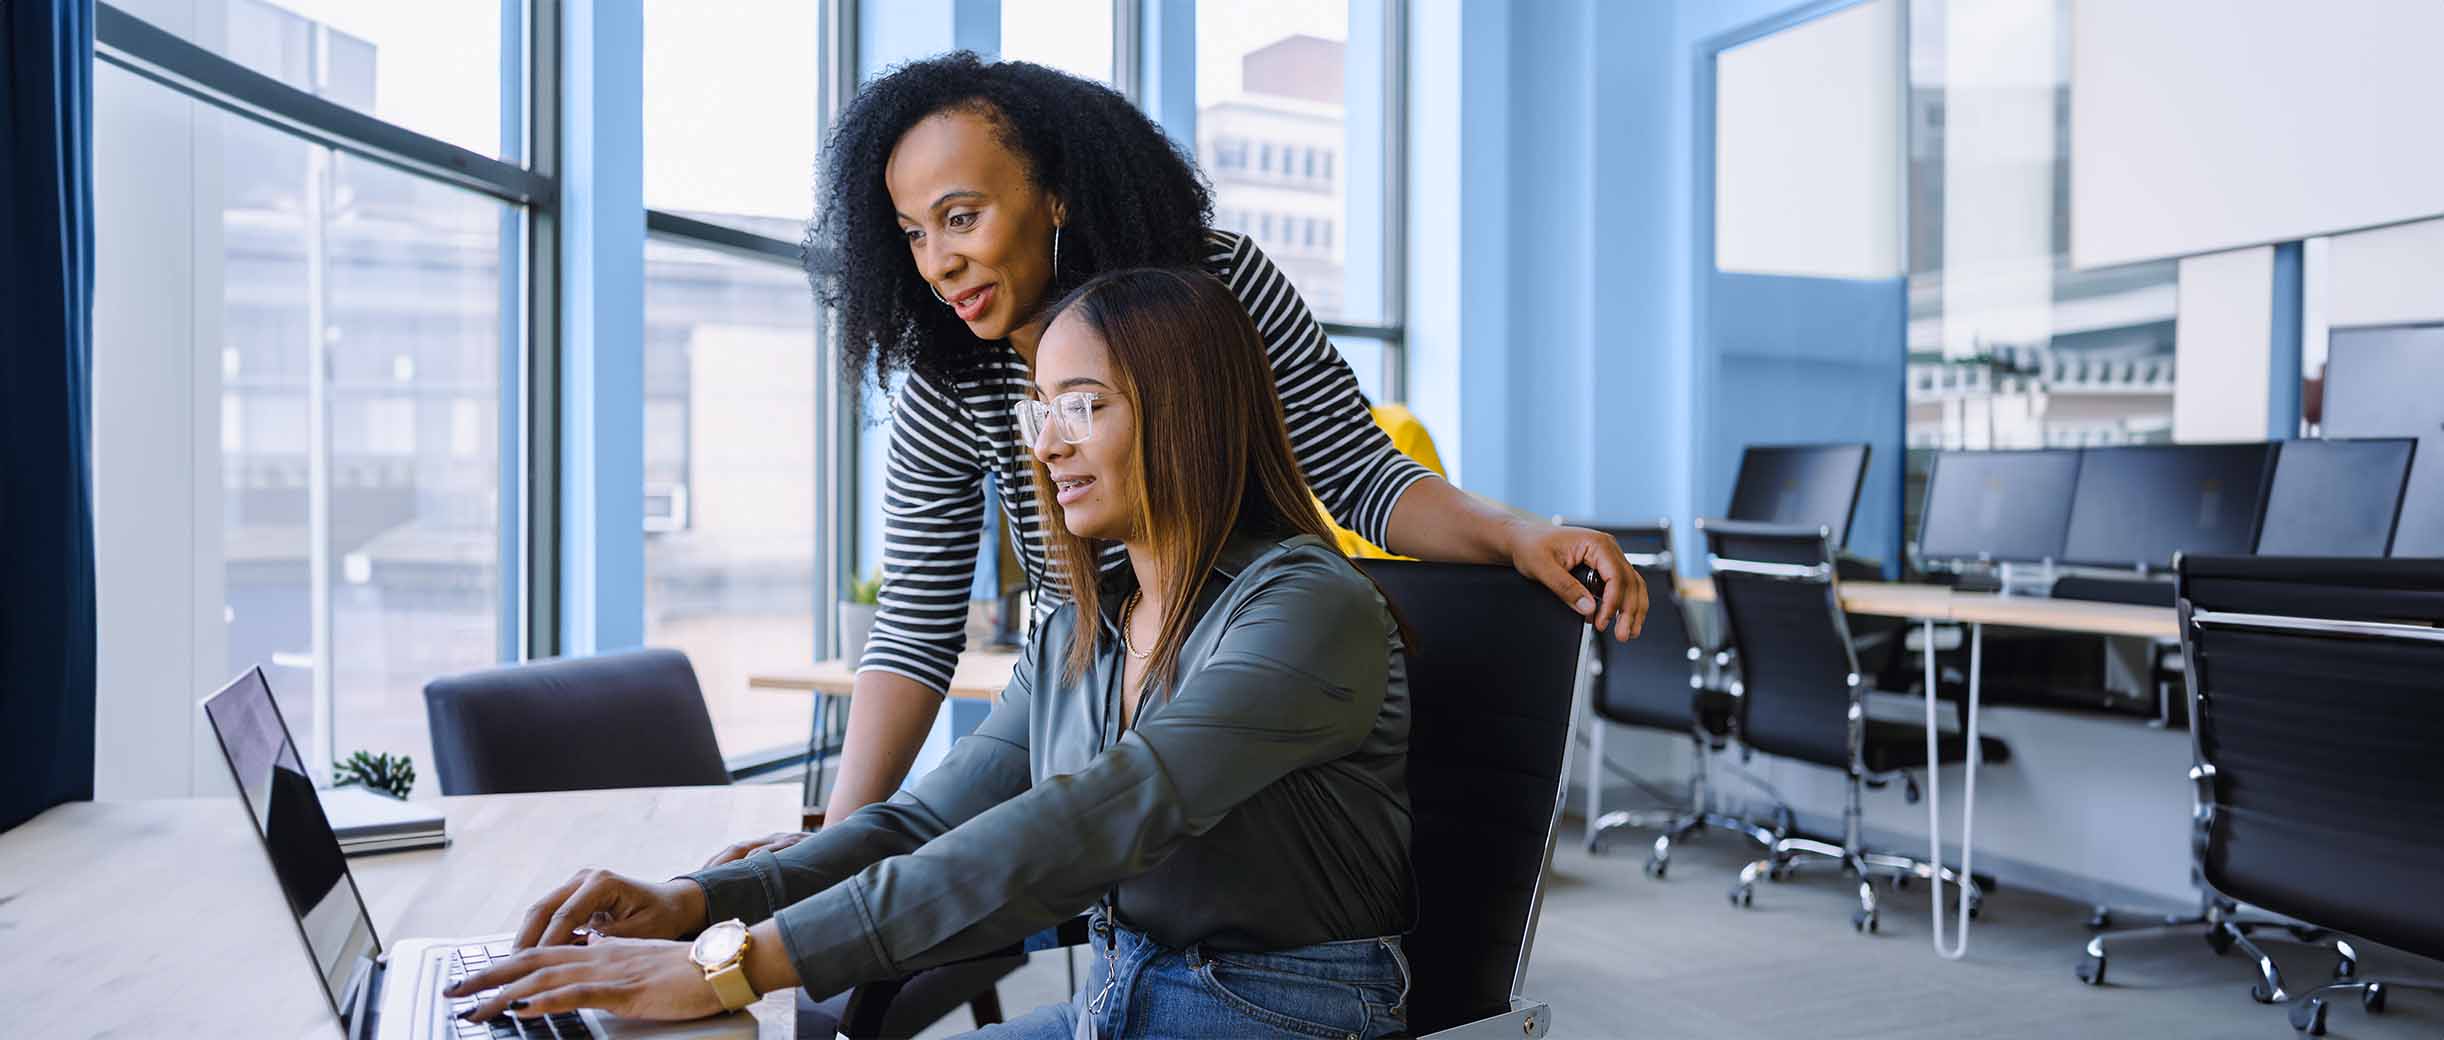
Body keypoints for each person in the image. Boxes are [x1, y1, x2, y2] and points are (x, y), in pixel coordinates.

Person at [448, 268, 1422, 1039]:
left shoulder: (1307, 608)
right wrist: (696, 899)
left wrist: (734, 961)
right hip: (1120, 1001)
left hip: (1277, 1016)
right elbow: (917, 820)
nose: (1045, 446)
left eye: (1081, 405)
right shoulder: (1087, 623)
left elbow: (1087, 820)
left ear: (1185, 415)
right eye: (1040, 409)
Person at [785, 52, 1647, 831]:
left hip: (1244, 685)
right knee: (927, 895)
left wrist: (1515, 535)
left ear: (1055, 194)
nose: (936, 263)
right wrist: (837, 842)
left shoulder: (1215, 287)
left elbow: (1361, 476)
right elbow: (913, 626)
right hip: (1088, 701)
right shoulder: (951, 376)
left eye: (961, 218)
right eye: (913, 235)